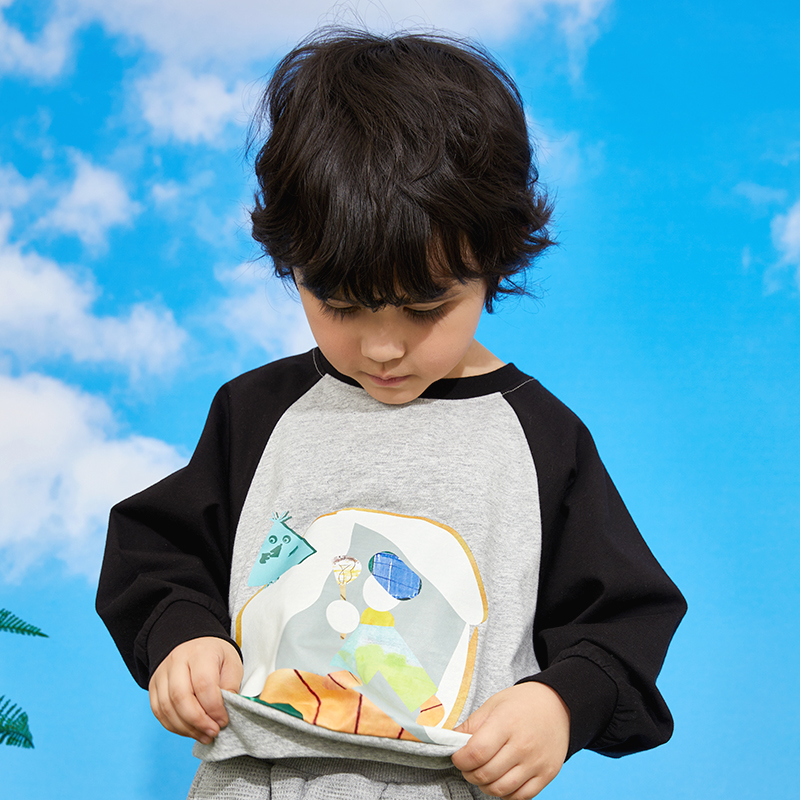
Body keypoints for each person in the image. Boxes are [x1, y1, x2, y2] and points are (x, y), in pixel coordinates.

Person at [96, 29, 686, 800]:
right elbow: (157, 551)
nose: (381, 347)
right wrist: (184, 636)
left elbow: (622, 619)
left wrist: (560, 704)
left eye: (424, 308)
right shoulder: (259, 413)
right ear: (292, 267)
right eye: (340, 305)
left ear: (494, 260)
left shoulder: (543, 441)